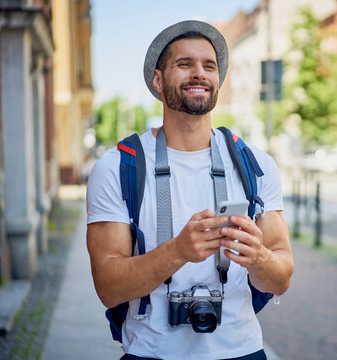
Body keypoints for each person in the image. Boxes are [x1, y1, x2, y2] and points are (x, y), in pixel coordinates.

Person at [86, 20, 294, 360]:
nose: (199, 73)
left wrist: (258, 257)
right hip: (150, 354)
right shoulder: (117, 166)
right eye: (185, 64)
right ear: (158, 79)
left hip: (242, 352)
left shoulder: (256, 163)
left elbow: (281, 278)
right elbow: (108, 288)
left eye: (208, 66)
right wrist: (179, 251)